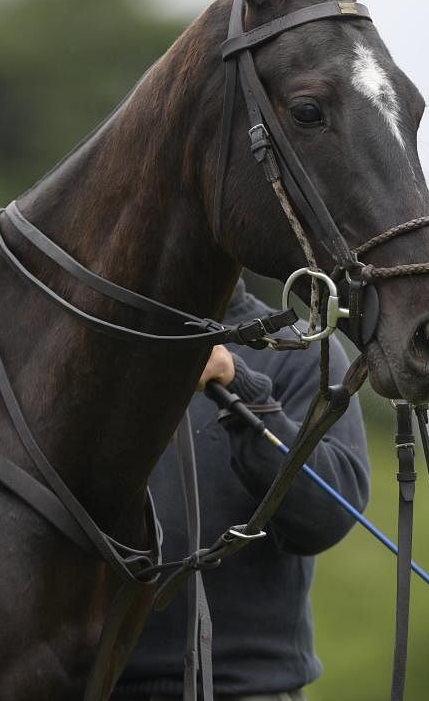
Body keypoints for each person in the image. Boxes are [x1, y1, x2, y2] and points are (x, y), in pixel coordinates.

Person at [112, 280, 371, 701]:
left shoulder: (299, 353)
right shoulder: (86, 343)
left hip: (249, 687)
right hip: (90, 684)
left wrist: (244, 391)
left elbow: (330, 514)